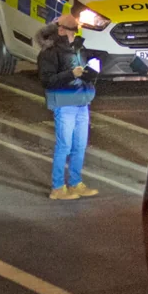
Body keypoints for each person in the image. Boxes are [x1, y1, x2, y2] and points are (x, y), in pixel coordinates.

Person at [36, 13, 99, 201]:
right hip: (64, 103)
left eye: (76, 29)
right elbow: (47, 81)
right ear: (61, 30)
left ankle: (75, 183)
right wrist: (71, 74)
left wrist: (91, 73)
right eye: (72, 29)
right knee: (64, 145)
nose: (75, 33)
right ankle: (57, 187)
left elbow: (83, 72)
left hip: (82, 101)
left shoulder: (79, 47)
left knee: (79, 145)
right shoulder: (49, 52)